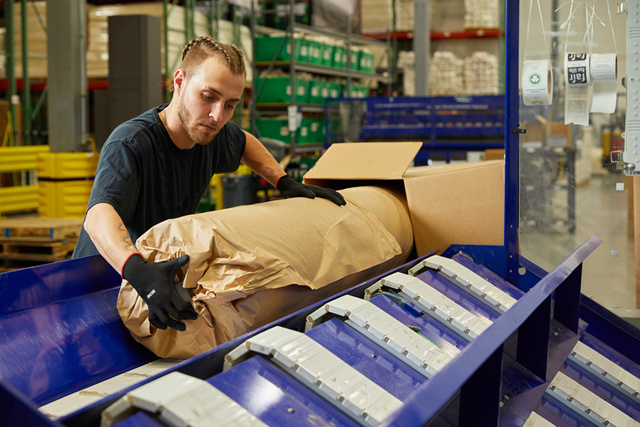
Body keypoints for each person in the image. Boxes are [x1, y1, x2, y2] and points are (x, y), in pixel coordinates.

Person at [72, 36, 345, 332]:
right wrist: (139, 272)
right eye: (208, 96)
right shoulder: (132, 143)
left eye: (230, 105)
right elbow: (99, 216)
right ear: (180, 81)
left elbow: (244, 143)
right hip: (99, 286)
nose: (218, 116)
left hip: (157, 284)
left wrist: (282, 180)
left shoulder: (209, 134)